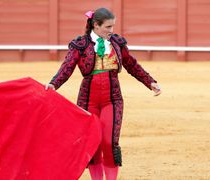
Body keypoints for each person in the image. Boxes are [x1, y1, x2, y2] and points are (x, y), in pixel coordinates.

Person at [45, 7, 161, 180]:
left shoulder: (117, 43)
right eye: (107, 27)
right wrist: (54, 84)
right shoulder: (80, 44)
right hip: (87, 100)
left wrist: (150, 81)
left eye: (112, 26)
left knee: (109, 143)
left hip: (112, 99)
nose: (111, 31)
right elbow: (67, 68)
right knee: (93, 143)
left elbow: (132, 65)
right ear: (96, 26)